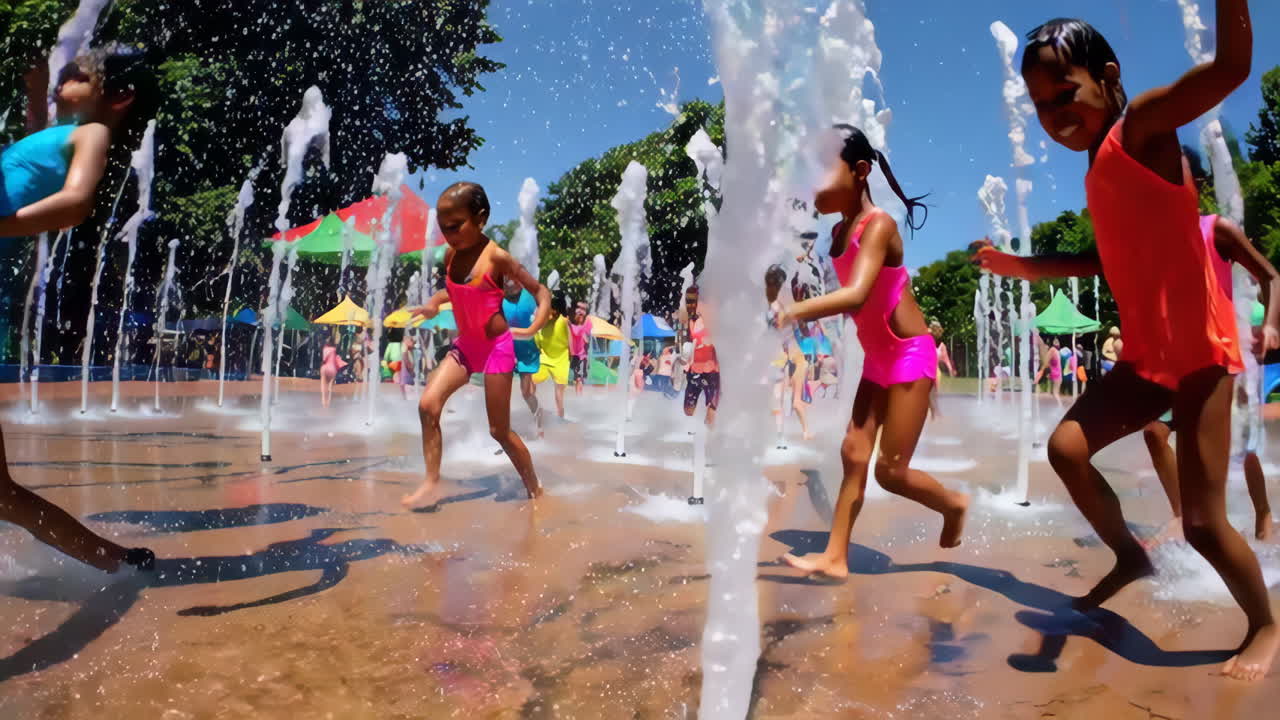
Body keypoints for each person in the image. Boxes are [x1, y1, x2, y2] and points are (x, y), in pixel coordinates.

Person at [975, 5, 1277, 681]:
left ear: (1108, 77)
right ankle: (1130, 554)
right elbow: (1100, 261)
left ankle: (1264, 625)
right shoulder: (1097, 171)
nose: (1053, 113)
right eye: (1038, 103)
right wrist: (1022, 266)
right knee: (1066, 449)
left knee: (1201, 524)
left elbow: (1231, 67)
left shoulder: (1141, 128)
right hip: (1145, 361)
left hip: (1200, 358)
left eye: (1065, 93)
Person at [775, 124, 969, 581]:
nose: (812, 183)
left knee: (891, 472)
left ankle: (955, 505)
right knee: (852, 452)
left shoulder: (878, 225)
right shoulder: (838, 235)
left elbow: (859, 294)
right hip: (877, 361)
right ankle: (836, 557)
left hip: (909, 355)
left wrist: (792, 311)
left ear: (860, 171)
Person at [0, 46, 157, 573]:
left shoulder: (93, 134)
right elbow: (34, 142)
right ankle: (118, 561)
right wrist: (33, 86)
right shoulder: (54, 132)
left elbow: (76, 203)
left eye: (75, 75)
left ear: (118, 97)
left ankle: (116, 561)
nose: (63, 77)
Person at [402, 182, 550, 510]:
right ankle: (431, 483)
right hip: (467, 346)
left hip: (497, 347)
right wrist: (432, 305)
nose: (449, 234)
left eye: (456, 226)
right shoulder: (451, 255)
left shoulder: (497, 257)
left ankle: (534, 489)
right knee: (428, 406)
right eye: (443, 228)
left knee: (499, 431)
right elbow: (455, 292)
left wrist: (531, 328)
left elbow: (542, 293)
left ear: (480, 218)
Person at [1143, 212, 1280, 546]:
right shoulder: (1188, 261)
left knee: (1242, 448)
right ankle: (1181, 516)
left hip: (1233, 371)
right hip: (1189, 364)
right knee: (1154, 433)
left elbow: (1270, 285)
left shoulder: (1252, 299)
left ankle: (1262, 512)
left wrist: (1268, 330)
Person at [503, 276, 544, 437]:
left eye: (511, 280)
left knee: (526, 392)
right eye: (505, 282)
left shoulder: (530, 296)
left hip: (527, 351)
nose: (508, 284)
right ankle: (503, 429)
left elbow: (542, 312)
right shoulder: (500, 299)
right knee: (502, 391)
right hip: (506, 350)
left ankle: (539, 418)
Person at [681, 285, 720, 428]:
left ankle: (714, 442)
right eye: (688, 300)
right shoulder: (691, 321)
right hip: (695, 372)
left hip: (712, 374)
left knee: (711, 415)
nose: (690, 304)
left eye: (693, 301)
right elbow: (690, 344)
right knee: (688, 410)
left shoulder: (710, 318)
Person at [532, 293, 572, 419]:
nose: (548, 313)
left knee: (559, 393)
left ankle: (561, 417)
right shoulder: (542, 324)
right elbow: (537, 342)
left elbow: (571, 340)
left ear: (558, 311)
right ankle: (535, 410)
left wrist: (572, 356)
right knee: (531, 383)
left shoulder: (564, 322)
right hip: (545, 358)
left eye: (550, 310)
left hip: (561, 360)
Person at [568, 303, 592, 395]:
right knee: (575, 378)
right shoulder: (570, 321)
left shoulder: (588, 322)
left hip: (582, 356)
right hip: (572, 354)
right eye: (579, 308)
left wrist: (580, 328)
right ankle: (578, 396)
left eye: (583, 309)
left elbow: (587, 340)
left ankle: (579, 398)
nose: (581, 311)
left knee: (579, 378)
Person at [319, 336, 347, 409]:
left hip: (324, 368)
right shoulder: (334, 349)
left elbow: (324, 359)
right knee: (330, 386)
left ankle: (323, 401)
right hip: (332, 369)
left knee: (323, 384)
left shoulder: (325, 348)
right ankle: (328, 402)